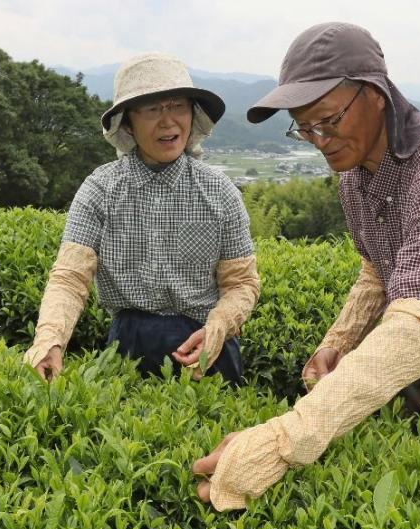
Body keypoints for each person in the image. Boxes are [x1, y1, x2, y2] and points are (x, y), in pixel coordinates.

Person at [192, 22, 420, 511]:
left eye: (328, 119)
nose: (318, 139)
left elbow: (419, 328)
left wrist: (276, 446)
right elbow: (377, 272)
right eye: (303, 127)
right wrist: (339, 344)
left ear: (376, 94)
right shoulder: (356, 172)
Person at [23, 53, 260, 385]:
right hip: (130, 344)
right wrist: (50, 340)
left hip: (208, 348)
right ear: (128, 123)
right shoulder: (100, 189)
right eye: (151, 109)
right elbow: (69, 277)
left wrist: (218, 327)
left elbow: (241, 283)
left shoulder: (220, 192)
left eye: (177, 106)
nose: (167, 122)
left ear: (193, 114)